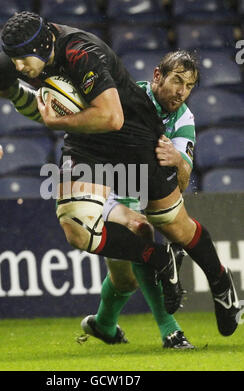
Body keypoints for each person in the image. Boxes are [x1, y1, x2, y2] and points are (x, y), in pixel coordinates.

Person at [0, 12, 241, 338]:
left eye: (24, 61)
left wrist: (56, 122)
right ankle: (156, 257)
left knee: (173, 224)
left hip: (133, 130)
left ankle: (222, 283)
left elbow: (112, 117)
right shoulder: (17, 57)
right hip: (86, 141)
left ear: (45, 45)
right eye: (14, 60)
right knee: (76, 228)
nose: (18, 68)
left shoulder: (81, 51)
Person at [80, 66, 196, 348]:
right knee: (140, 230)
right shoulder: (127, 96)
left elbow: (181, 183)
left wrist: (178, 160)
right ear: (158, 76)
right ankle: (170, 331)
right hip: (99, 181)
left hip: (137, 187)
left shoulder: (184, 118)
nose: (181, 92)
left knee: (126, 281)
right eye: (177, 81)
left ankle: (103, 325)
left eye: (189, 85)